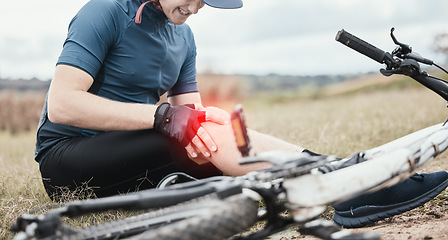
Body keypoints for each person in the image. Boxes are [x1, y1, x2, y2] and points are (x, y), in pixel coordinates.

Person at [35, 0, 448, 228]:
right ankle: (348, 186)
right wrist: (163, 118)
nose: (197, 7)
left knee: (211, 129)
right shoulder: (104, 12)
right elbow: (64, 103)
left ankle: (344, 178)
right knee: (196, 131)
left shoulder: (185, 36)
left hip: (133, 156)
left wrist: (191, 122)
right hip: (69, 159)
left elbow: (190, 117)